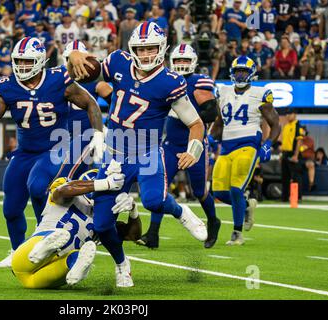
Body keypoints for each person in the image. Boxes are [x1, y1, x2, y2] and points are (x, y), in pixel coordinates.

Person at [68, 21, 208, 287]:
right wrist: (75, 52)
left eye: (151, 49)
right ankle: (122, 264)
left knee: (155, 201)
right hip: (114, 153)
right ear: (132, 49)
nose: (145, 55)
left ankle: (180, 212)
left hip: (147, 152)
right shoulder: (118, 61)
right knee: (102, 223)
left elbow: (196, 123)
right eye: (141, 49)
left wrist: (194, 150)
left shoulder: (170, 81)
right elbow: (90, 70)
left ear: (162, 48)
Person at [0, 36, 105, 268]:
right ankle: (18, 251)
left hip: (55, 148)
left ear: (39, 61)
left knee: (37, 187)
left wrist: (98, 134)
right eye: (19, 61)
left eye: (28, 62)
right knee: (11, 208)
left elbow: (90, 104)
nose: (23, 67)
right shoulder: (7, 85)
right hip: (25, 152)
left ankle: (46, 240)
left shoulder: (58, 79)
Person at [138, 44, 221, 250]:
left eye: (185, 60)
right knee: (160, 187)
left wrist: (187, 115)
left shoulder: (199, 82)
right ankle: (153, 234)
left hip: (194, 145)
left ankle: (213, 221)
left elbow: (211, 112)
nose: (182, 64)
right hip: (170, 145)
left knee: (200, 191)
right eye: (178, 61)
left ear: (192, 62)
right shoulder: (165, 80)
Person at [12, 164, 142, 289]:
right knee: (27, 264)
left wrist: (133, 210)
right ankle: (47, 246)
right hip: (42, 239)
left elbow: (132, 235)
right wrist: (104, 184)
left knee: (30, 281)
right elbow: (62, 191)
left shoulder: (104, 219)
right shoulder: (70, 190)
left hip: (52, 260)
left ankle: (75, 263)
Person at [211, 56, 281, 245]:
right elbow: (219, 123)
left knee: (236, 188)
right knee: (217, 191)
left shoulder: (260, 93)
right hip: (226, 147)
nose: (240, 75)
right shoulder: (223, 92)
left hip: (248, 145)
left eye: (244, 71)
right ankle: (247, 207)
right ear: (232, 73)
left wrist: (267, 144)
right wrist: (210, 138)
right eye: (237, 71)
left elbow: (275, 124)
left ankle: (237, 232)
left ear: (251, 73)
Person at [61, 40, 113, 180]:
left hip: (86, 135)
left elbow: (117, 103)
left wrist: (107, 125)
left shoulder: (94, 82)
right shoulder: (57, 80)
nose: (73, 63)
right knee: (74, 179)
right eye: (69, 59)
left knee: (65, 177)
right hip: (63, 136)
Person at [280, 108, 305, 202]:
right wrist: (282, 154)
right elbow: (284, 142)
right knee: (285, 176)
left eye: (289, 114)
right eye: (286, 114)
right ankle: (284, 197)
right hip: (285, 153)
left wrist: (296, 155)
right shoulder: (286, 126)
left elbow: (299, 141)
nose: (287, 116)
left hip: (294, 153)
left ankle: (297, 197)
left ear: (294, 114)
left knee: (296, 177)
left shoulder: (298, 125)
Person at [299, 126, 316, 191]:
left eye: (303, 131)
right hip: (300, 159)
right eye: (300, 131)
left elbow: (302, 148)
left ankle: (311, 183)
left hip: (309, 158)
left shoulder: (309, 140)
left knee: (310, 164)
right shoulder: (297, 139)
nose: (301, 132)